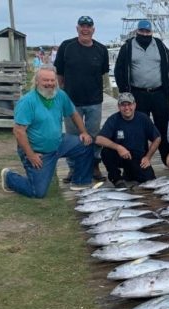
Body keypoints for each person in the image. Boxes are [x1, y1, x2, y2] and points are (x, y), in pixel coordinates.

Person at [0, 65, 93, 198]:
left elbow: (74, 113)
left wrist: (83, 132)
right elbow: (19, 131)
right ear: (37, 81)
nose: (49, 84)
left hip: (59, 142)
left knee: (86, 143)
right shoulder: (27, 101)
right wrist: (31, 155)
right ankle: (9, 177)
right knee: (37, 192)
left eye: (52, 80)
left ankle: (80, 181)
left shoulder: (60, 95)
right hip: (39, 151)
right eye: (45, 80)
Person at [114, 19, 169, 166]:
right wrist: (125, 92)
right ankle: (139, 159)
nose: (145, 34)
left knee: (164, 126)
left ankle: (167, 158)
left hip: (160, 93)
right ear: (137, 31)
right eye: (142, 31)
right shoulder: (128, 47)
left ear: (151, 32)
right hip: (138, 93)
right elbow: (119, 70)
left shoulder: (160, 45)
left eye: (147, 31)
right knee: (139, 127)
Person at [54, 15, 110, 183]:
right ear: (77, 28)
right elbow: (59, 73)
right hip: (71, 102)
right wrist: (62, 92)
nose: (85, 29)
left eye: (88, 26)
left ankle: (94, 165)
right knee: (73, 137)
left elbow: (103, 72)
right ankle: (74, 168)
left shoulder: (101, 49)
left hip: (94, 101)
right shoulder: (66, 46)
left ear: (93, 29)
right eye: (82, 26)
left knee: (93, 136)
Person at [95, 93, 161, 188]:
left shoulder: (143, 118)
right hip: (119, 155)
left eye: (129, 104)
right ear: (119, 106)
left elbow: (157, 138)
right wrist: (118, 147)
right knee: (106, 152)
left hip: (138, 158)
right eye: (123, 105)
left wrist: (148, 157)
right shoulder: (113, 119)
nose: (126, 108)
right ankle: (117, 179)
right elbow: (98, 139)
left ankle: (129, 174)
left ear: (134, 105)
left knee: (150, 180)